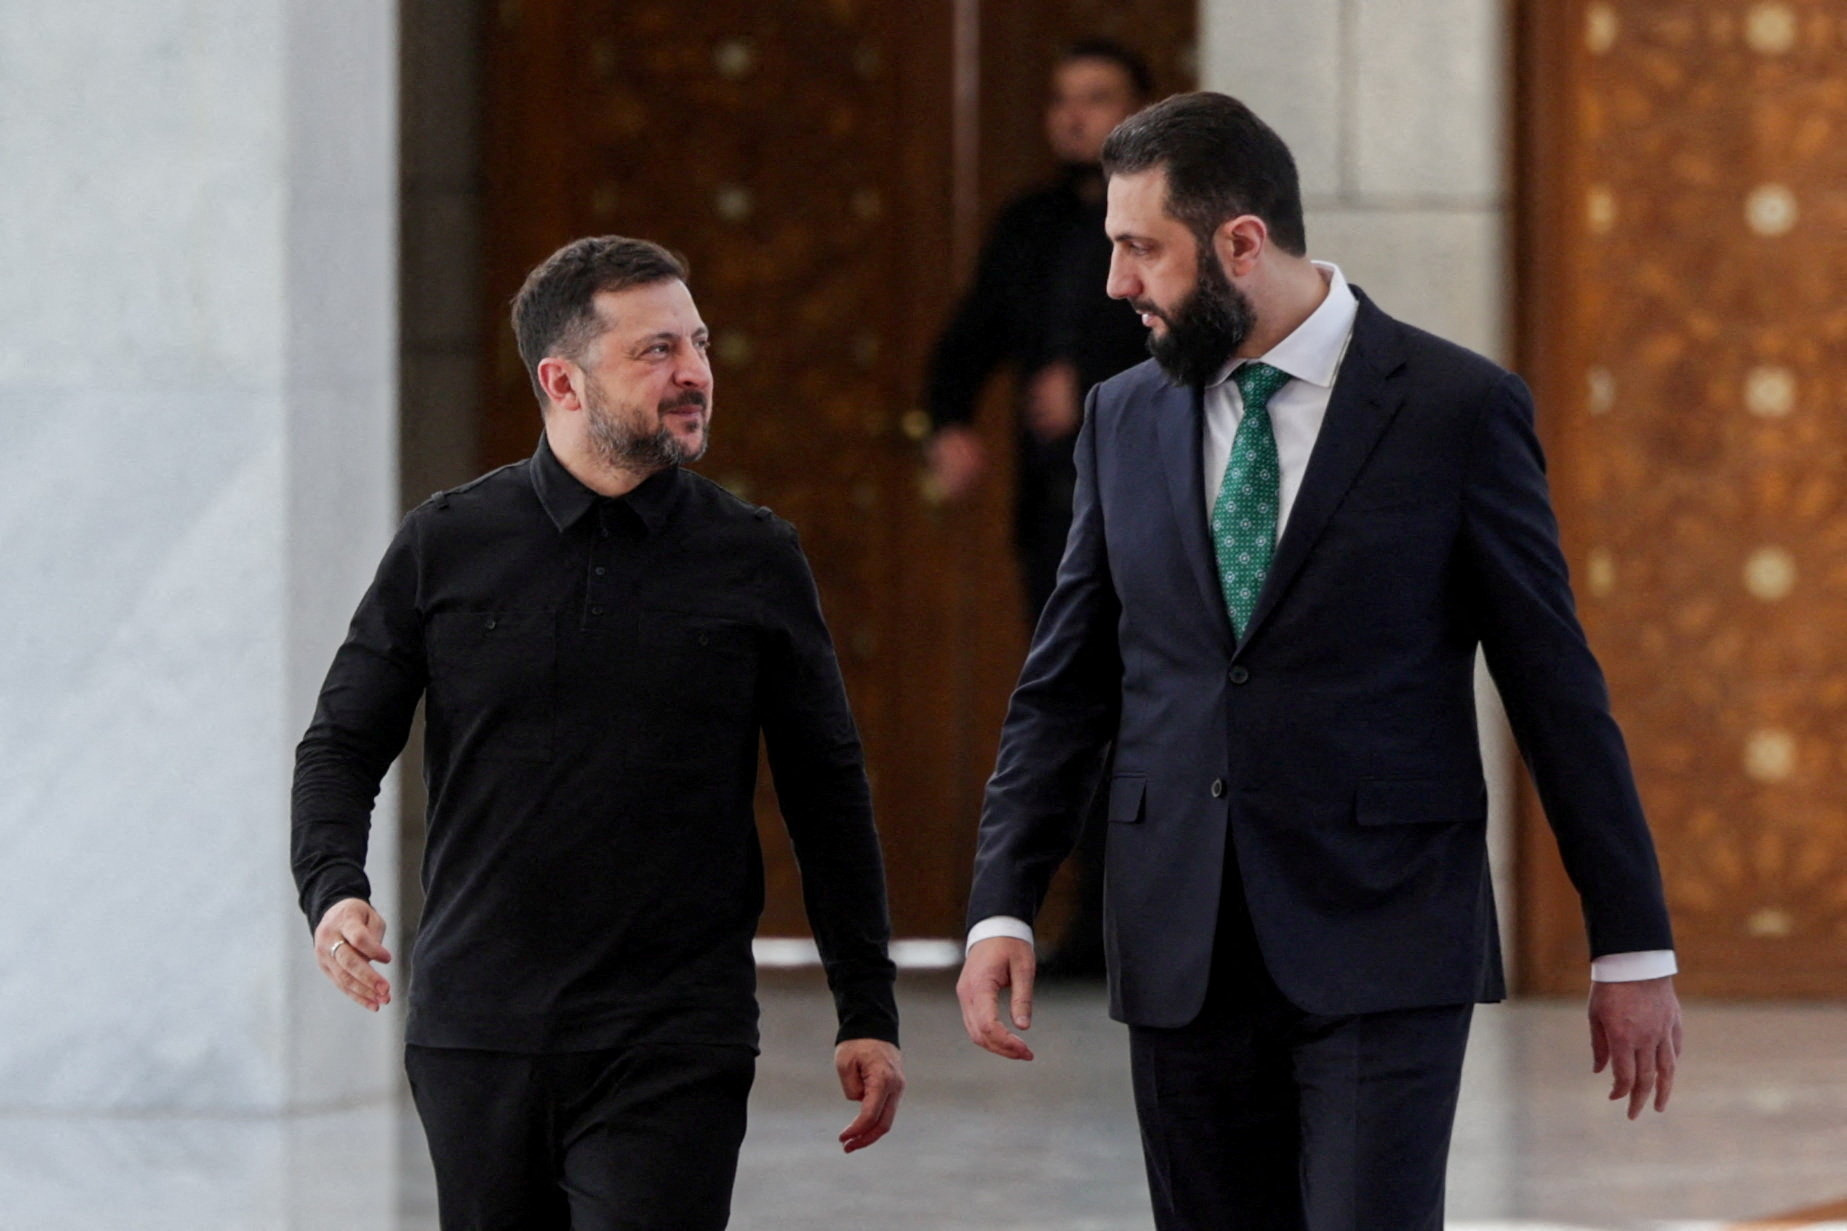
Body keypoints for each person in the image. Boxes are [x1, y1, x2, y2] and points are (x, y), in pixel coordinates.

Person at [955, 93, 1682, 1230]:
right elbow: (1066, 687)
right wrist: (1001, 903)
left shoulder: (1457, 408)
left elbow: (1553, 688)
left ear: (1241, 242)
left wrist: (1629, 942)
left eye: (1141, 248)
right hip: (1178, 942)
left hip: (1383, 932)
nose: (1115, 283)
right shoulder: (1119, 417)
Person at [292, 236, 904, 1230]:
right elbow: (340, 744)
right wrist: (333, 890)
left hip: (675, 1034)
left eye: (698, 343)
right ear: (562, 381)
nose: (694, 371)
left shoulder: (752, 556)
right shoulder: (445, 543)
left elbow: (824, 789)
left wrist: (865, 1007)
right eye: (656, 350)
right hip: (477, 1031)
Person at [925, 38, 1153, 978]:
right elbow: (972, 333)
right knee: (1074, 711)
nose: (1074, 115)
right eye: (1062, 98)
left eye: (1096, 96)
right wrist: (947, 420)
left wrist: (1089, 380)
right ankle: (1084, 924)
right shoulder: (1029, 224)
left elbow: (1199, 344)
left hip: (1156, 510)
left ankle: (1141, 925)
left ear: (1138, 109)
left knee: (1151, 715)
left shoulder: (1170, 220)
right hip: (1057, 513)